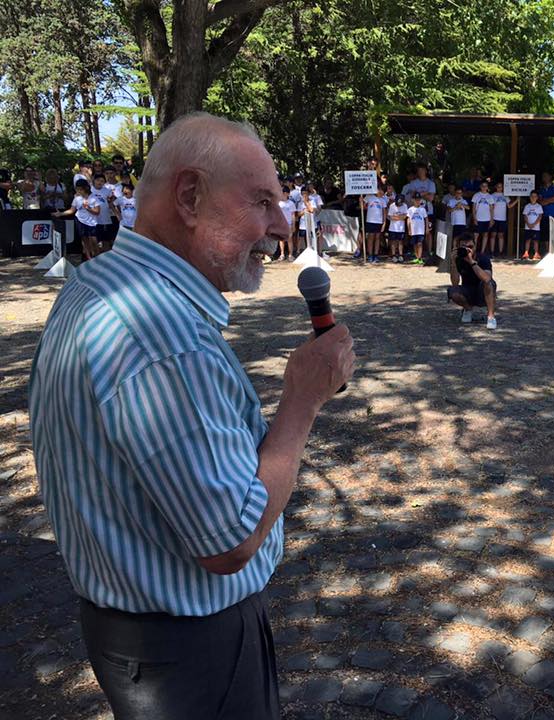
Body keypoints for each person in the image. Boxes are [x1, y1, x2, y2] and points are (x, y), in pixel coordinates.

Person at [30, 112, 355, 720]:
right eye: (262, 201)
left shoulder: (97, 282)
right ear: (189, 196)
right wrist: (302, 398)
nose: (281, 226)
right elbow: (231, 539)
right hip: (189, 650)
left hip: (142, 636)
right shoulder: (158, 334)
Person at [447, 235, 497, 329]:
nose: (468, 250)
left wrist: (471, 262)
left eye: (470, 247)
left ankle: (491, 316)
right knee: (453, 291)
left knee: (488, 283)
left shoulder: (483, 258)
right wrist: (453, 263)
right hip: (468, 290)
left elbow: (487, 278)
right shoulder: (458, 259)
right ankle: (467, 309)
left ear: (475, 246)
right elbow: (455, 283)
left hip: (483, 292)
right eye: (464, 247)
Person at [53, 178, 102, 260]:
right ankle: (88, 258)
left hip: (92, 223)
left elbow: (97, 212)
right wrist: (60, 214)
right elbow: (72, 210)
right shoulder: (77, 199)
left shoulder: (94, 198)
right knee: (84, 241)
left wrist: (88, 208)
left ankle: (97, 258)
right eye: (77, 189)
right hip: (80, 221)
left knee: (94, 241)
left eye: (80, 189)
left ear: (86, 188)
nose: (78, 191)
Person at [362, 185, 388, 263]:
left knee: (377, 238)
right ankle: (370, 255)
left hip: (379, 221)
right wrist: (361, 202)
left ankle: (376, 255)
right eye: (379, 190)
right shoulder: (369, 196)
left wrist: (384, 223)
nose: (381, 192)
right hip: (370, 220)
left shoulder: (383, 200)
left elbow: (384, 212)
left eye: (383, 191)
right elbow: (363, 207)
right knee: (370, 238)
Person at [490, 181, 515, 256]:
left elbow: (509, 206)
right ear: (496, 187)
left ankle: (500, 252)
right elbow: (491, 207)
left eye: (501, 186)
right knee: (493, 235)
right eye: (498, 186)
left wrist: (517, 200)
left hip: (502, 218)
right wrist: (491, 218)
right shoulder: (492, 195)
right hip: (494, 218)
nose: (499, 188)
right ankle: (492, 252)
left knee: (501, 236)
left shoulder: (505, 195)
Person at [471, 180, 494, 252]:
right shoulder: (476, 195)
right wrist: (474, 218)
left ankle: (482, 251)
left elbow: (491, 209)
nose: (484, 187)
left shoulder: (490, 196)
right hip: (478, 218)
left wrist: (491, 219)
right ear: (480, 187)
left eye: (486, 186)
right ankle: (473, 251)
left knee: (485, 235)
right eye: (483, 186)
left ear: (487, 187)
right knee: (476, 236)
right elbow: (473, 208)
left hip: (487, 219)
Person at [407, 192, 429, 265]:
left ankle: (420, 257)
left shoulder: (422, 209)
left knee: (420, 243)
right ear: (413, 200)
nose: (417, 201)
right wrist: (409, 229)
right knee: (414, 244)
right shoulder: (410, 209)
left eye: (419, 200)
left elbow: (426, 219)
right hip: (413, 229)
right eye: (416, 199)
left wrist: (427, 228)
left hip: (421, 230)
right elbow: (408, 219)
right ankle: (416, 257)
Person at [521, 189, 543, 260]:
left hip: (536, 227)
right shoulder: (527, 206)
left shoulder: (539, 206)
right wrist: (528, 224)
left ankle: (536, 253)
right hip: (528, 227)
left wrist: (534, 224)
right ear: (530, 197)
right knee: (528, 240)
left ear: (537, 197)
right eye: (532, 196)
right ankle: (526, 253)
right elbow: (525, 216)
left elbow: (540, 216)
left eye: (535, 196)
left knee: (536, 241)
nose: (533, 198)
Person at [387, 193, 408, 263]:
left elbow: (405, 216)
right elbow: (390, 217)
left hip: (401, 228)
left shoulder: (405, 206)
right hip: (393, 228)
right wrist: (400, 217)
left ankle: (400, 255)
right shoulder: (392, 206)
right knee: (393, 242)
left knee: (400, 241)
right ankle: (393, 255)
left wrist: (396, 217)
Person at [277, 185, 296, 260]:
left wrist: (293, 225)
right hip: (280, 224)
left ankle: (290, 255)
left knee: (289, 239)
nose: (283, 194)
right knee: (281, 239)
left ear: (287, 193)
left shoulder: (291, 203)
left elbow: (293, 215)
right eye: (282, 192)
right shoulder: (278, 203)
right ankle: (282, 254)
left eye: (284, 192)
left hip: (288, 224)